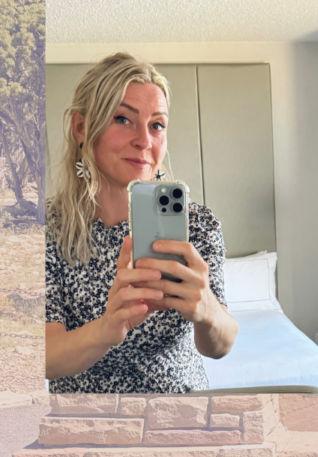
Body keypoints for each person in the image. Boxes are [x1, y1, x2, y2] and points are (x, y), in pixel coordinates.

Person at [45, 52, 238, 393]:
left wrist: (207, 311)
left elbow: (219, 346)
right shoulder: (45, 230)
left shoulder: (199, 226)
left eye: (157, 125)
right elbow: (44, 357)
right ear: (81, 127)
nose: (144, 141)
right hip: (86, 426)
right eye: (122, 119)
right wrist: (106, 329)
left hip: (180, 420)